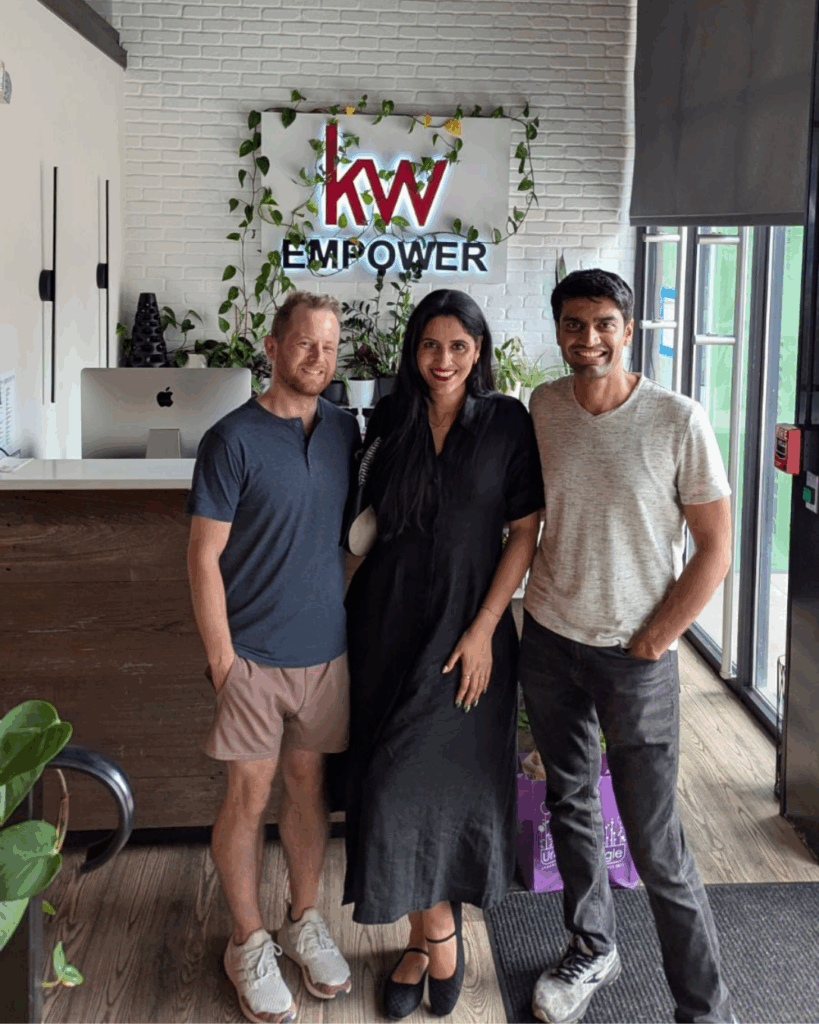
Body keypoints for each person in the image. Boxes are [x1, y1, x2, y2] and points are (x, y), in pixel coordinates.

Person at [519, 268, 735, 1024]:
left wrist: (656, 637)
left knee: (655, 844)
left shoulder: (677, 419)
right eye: (574, 325)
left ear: (629, 329)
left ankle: (704, 1010)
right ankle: (591, 948)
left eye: (604, 323)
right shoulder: (543, 406)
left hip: (636, 660)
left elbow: (716, 547)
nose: (589, 339)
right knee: (570, 802)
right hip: (550, 640)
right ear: (558, 331)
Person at [342, 288, 545, 1019]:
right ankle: (430, 934)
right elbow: (358, 524)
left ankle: (432, 938)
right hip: (385, 626)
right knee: (385, 787)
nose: (444, 359)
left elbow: (524, 530)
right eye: (431, 345)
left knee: (440, 790)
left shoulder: (506, 422)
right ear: (413, 350)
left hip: (468, 633)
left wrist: (485, 627)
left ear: (479, 350)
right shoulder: (389, 418)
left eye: (459, 346)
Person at [186, 290, 360, 1024]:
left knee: (307, 791)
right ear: (272, 346)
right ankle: (247, 940)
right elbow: (202, 556)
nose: (318, 358)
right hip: (252, 658)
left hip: (325, 653)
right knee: (247, 798)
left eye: (329, 347)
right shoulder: (230, 439)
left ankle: (303, 920)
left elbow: (350, 534)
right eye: (304, 343)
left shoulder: (345, 431)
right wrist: (224, 662)